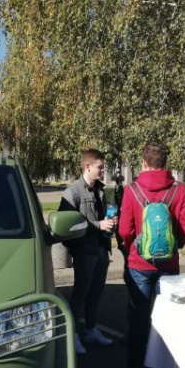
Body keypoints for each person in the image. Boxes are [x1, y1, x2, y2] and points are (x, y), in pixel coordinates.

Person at [119, 143, 185, 368]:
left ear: (144, 162)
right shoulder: (179, 190)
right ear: (165, 163)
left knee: (139, 316)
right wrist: (174, 248)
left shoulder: (132, 190)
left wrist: (133, 246)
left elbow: (124, 230)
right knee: (170, 316)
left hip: (139, 264)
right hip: (168, 264)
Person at [59, 149, 117, 355]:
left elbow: (106, 214)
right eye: (100, 167)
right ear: (87, 167)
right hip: (84, 252)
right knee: (81, 294)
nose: (103, 171)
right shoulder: (72, 193)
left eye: (103, 167)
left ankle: (91, 330)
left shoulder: (101, 190)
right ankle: (73, 335)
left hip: (102, 250)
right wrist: (97, 225)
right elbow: (66, 225)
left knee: (96, 293)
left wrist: (111, 221)